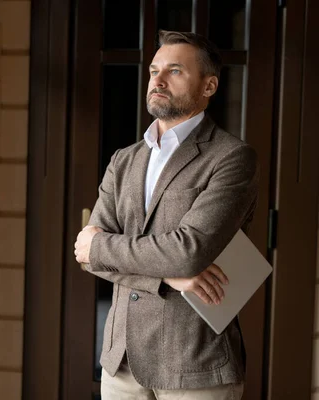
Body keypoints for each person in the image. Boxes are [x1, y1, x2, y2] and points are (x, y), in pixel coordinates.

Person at [73, 30, 259, 400]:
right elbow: (87, 256)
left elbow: (189, 252)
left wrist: (103, 246)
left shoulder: (231, 158)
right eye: (154, 69)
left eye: (174, 71)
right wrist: (169, 281)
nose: (157, 80)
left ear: (209, 86)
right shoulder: (123, 159)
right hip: (120, 361)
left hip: (195, 363)